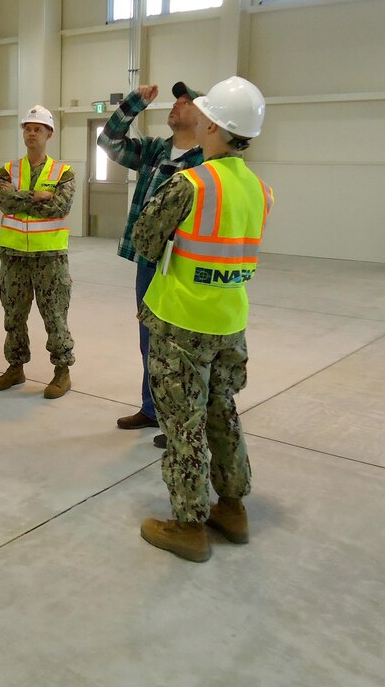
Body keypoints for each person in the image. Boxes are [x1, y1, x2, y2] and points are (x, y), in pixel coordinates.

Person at [131, 76, 274, 562]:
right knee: (223, 413)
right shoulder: (259, 189)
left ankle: (189, 525)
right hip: (230, 322)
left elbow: (146, 240)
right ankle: (232, 508)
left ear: (212, 124)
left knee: (182, 425)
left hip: (181, 323)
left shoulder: (189, 183)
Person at [97, 82, 203, 445]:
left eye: (186, 102)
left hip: (185, 265)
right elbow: (108, 143)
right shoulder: (155, 150)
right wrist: (134, 103)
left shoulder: (206, 160)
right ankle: (152, 408)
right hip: (150, 262)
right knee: (149, 339)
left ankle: (179, 420)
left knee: (180, 345)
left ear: (204, 117)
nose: (177, 106)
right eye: (176, 101)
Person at [0, 105, 76, 399]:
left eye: (37, 128)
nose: (31, 133)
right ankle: (15, 367)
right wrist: (35, 196)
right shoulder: (8, 170)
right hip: (13, 256)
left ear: (49, 133)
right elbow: (1, 199)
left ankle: (62, 371)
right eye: (27, 128)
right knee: (13, 314)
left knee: (54, 316)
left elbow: (59, 206)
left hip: (50, 257)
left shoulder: (62, 172)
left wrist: (20, 199)